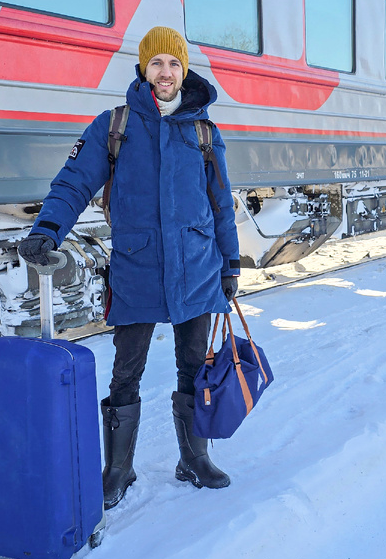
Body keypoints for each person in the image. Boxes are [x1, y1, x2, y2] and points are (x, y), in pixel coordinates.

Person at [18, 26, 241, 506]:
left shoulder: (204, 131)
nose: (166, 72)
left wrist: (230, 264)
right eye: (157, 63)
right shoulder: (114, 125)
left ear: (185, 71)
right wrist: (47, 230)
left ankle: (193, 459)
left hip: (198, 267)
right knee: (126, 372)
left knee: (191, 366)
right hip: (137, 266)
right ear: (144, 68)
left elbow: (221, 203)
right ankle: (118, 469)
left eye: (174, 64)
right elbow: (74, 182)